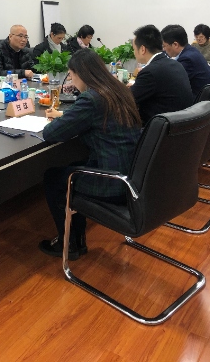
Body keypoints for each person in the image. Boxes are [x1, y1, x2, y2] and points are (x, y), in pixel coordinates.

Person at [39, 48, 142, 261]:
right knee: (73, 167)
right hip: (132, 174)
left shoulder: (92, 99)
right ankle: (78, 239)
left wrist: (60, 118)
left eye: (71, 76)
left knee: (53, 178)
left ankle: (69, 243)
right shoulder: (118, 90)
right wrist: (69, 114)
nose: (72, 80)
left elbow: (51, 134)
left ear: (79, 73)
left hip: (112, 182)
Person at [130, 25, 193, 125]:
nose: (134, 53)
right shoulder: (175, 64)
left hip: (160, 129)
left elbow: (127, 99)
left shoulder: (150, 72)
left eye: (134, 49)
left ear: (142, 49)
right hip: (182, 126)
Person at [161, 24, 210, 99]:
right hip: (202, 99)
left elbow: (171, 83)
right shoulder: (191, 50)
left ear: (175, 44)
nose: (164, 49)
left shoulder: (187, 59)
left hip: (196, 102)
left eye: (164, 46)